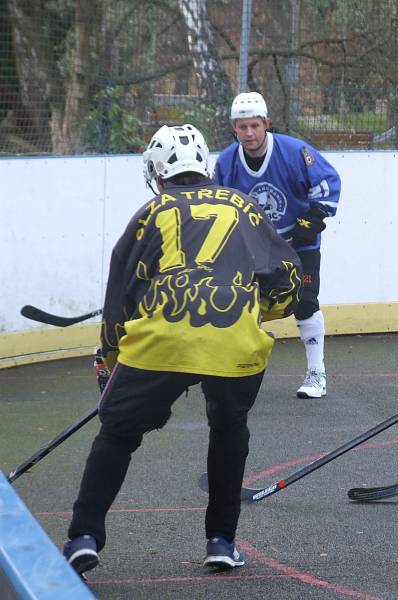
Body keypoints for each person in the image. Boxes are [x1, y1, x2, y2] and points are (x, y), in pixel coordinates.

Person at [62, 124, 302, 575]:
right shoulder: (244, 206)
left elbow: (121, 296)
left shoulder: (151, 212)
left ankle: (84, 535)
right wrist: (257, 310)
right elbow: (288, 277)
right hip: (233, 342)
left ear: (157, 171)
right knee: (229, 429)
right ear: (205, 165)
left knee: (116, 433)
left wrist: (110, 361)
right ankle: (220, 541)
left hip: (161, 342)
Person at [214, 91, 340, 399]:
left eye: (255, 125)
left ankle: (316, 374)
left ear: (266, 123)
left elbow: (328, 185)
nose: (249, 133)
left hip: (300, 246)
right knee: (239, 304)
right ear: (234, 127)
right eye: (242, 127)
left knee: (305, 302)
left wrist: (310, 223)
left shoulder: (295, 152)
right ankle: (240, 371)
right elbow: (218, 202)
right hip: (254, 248)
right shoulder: (227, 160)